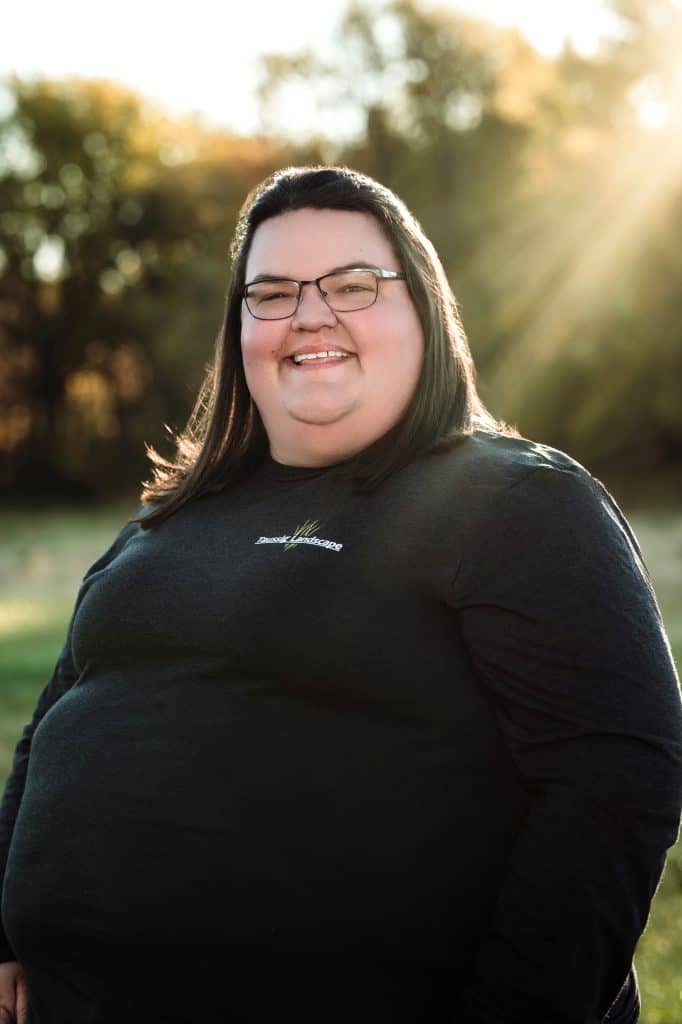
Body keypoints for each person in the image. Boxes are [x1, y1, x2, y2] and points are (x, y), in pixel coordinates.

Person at [1, 164, 681, 1024]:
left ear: (423, 309)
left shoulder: (514, 500)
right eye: (272, 293)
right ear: (239, 331)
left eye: (353, 285)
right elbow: (54, 722)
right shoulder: (168, 517)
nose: (309, 314)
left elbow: (614, 781)